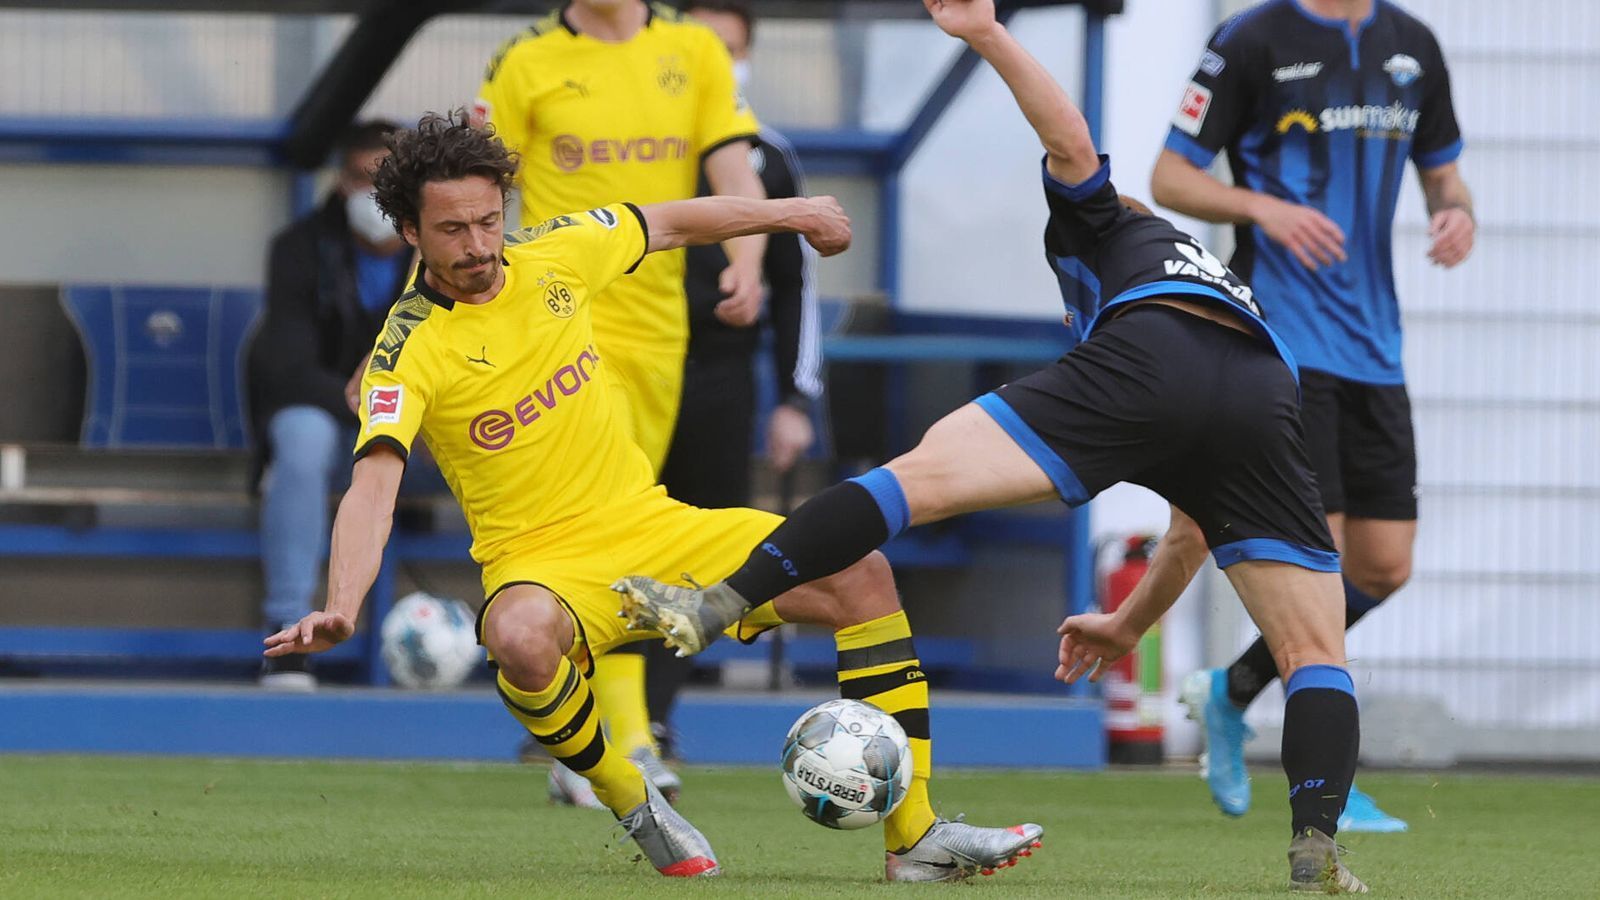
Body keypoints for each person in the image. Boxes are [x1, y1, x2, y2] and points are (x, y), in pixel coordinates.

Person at [617, 0, 1370, 892]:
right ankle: (1316, 842)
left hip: (1149, 353)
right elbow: (1190, 529)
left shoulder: (1108, 223)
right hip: (1262, 388)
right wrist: (1127, 625)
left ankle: (714, 605)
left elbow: (1068, 135)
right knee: (1315, 652)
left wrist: (984, 32)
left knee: (910, 482)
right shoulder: (1210, 276)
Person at [264, 112, 1042, 882]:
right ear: (408, 232)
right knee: (520, 637)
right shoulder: (406, 348)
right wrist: (342, 602)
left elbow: (672, 222)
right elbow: (373, 486)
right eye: (452, 230)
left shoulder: (557, 254)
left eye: (487, 220)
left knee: (859, 570)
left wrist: (790, 213)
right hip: (541, 564)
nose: (477, 245)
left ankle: (916, 840)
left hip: (654, 527)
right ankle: (632, 800)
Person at [1150, 0, 1473, 831]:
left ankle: (1230, 691)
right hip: (1286, 344)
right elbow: (1169, 177)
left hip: (1377, 347)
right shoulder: (1252, 38)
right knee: (1318, 570)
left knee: (1384, 564)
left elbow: (1443, 169)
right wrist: (1263, 208)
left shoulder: (1414, 45)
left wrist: (1457, 212)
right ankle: (1331, 779)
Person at [473, 0, 770, 801]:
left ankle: (596, 740)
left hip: (657, 330)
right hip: (560, 328)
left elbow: (732, 165)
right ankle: (624, 744)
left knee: (632, 528)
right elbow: (473, 200)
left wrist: (749, 258)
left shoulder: (693, 50)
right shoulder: (526, 61)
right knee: (595, 529)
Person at [614, 0, 823, 758]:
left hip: (720, 380)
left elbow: (797, 285)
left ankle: (656, 720)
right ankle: (596, 720)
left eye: (730, 50)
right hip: (625, 363)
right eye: (704, 46)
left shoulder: (765, 155)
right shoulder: (639, 139)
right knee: (611, 541)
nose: (717, 62)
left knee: (696, 556)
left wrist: (795, 398)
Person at [248, 120, 416, 691]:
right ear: (341, 183)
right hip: (334, 417)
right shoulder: (297, 249)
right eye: (359, 179)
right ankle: (288, 633)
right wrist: (368, 401)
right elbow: (288, 366)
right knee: (300, 438)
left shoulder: (446, 251)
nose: (372, 194)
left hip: (424, 426)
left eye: (386, 179)